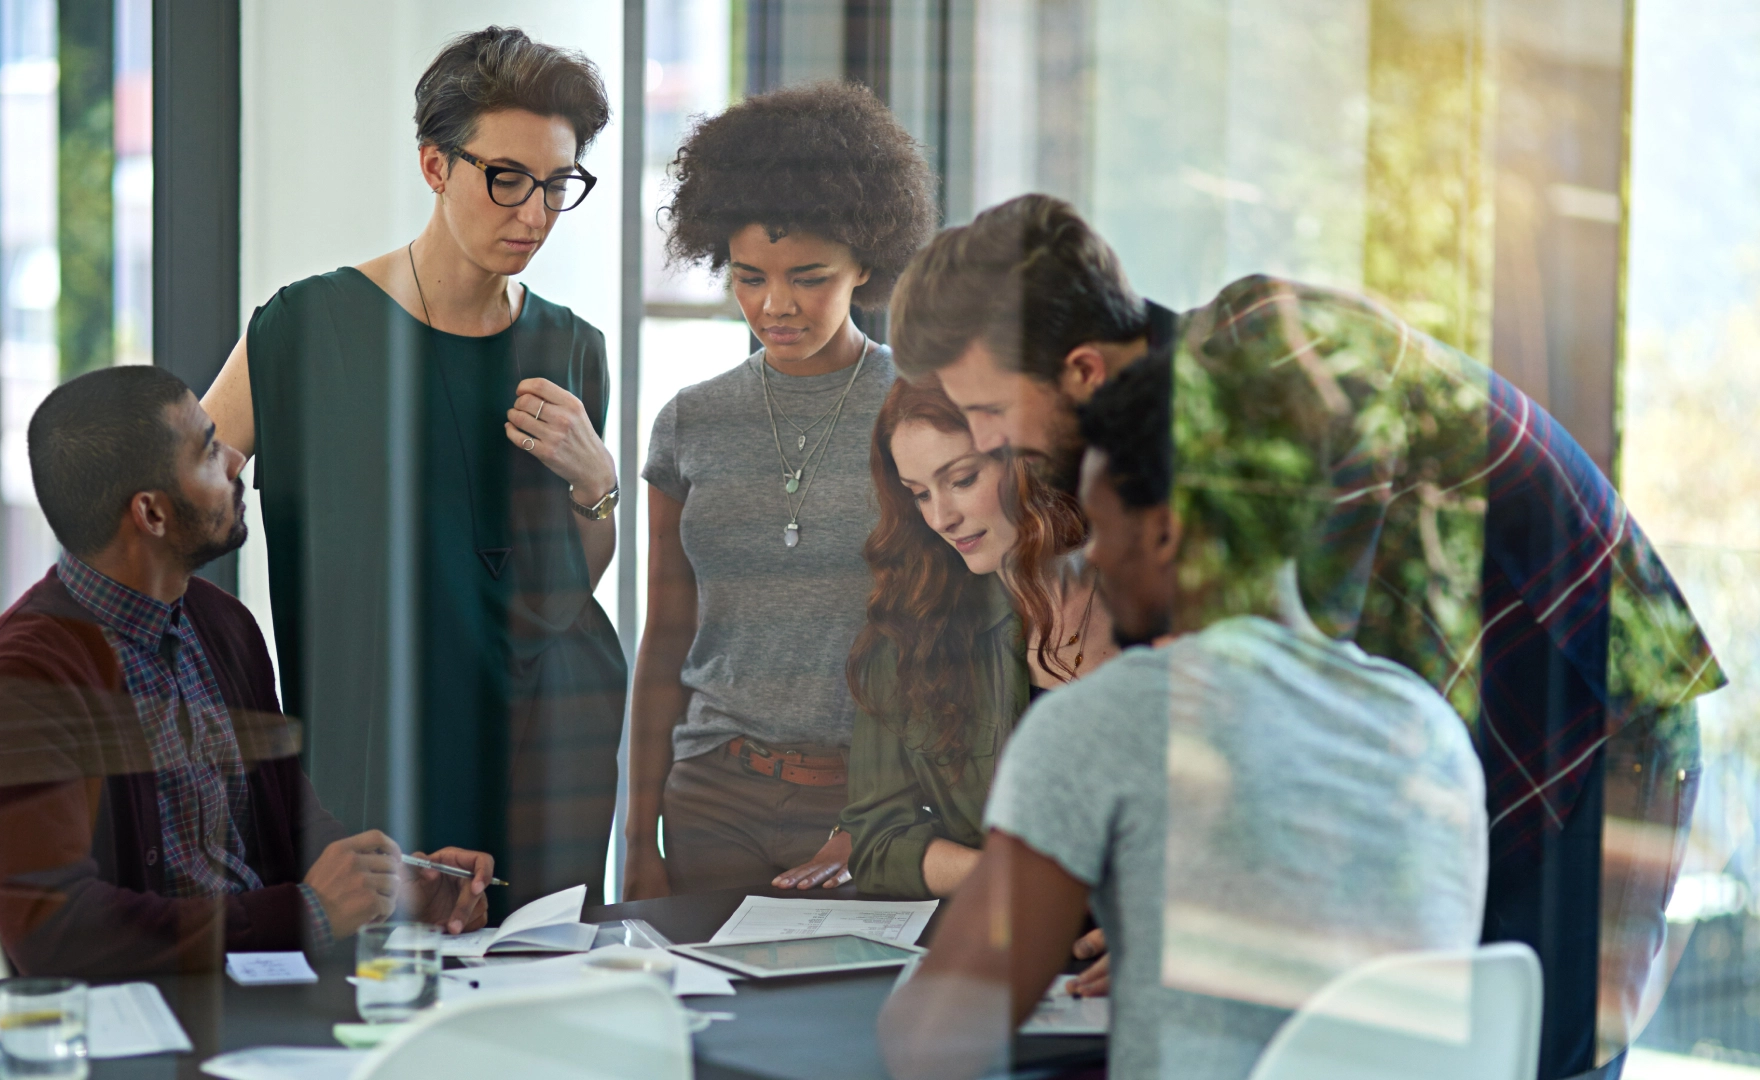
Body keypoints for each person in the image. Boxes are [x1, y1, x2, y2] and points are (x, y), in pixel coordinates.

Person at [886, 193, 1723, 1077]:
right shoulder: (1173, 447)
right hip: (1467, 729)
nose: (990, 442)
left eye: (985, 410)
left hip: (1588, 713)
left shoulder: (1272, 345)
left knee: (1542, 1053)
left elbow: (1298, 673)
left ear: (1085, 370)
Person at [878, 354, 1490, 1080]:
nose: (1094, 557)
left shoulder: (1104, 721)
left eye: (1102, 528)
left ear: (1164, 533)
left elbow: (935, 1042)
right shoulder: (1428, 727)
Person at [199, 29, 624, 912]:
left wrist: (597, 481)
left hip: (542, 750)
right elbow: (174, 509)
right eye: (506, 178)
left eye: (557, 185)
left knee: (537, 1009)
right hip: (371, 738)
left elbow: (568, 584)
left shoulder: (574, 347)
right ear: (435, 165)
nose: (534, 214)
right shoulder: (307, 328)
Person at [0, 367, 494, 977]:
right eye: (209, 450)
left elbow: (293, 824)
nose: (237, 458)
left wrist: (393, 891)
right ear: (151, 514)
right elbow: (60, 932)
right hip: (155, 1040)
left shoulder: (224, 626)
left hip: (276, 998)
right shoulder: (23, 678)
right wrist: (309, 914)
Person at [624, 82, 939, 898]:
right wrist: (637, 832)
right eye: (748, 276)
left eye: (808, 277)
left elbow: (938, 637)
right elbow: (666, 634)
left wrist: (875, 815)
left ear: (865, 260)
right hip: (709, 798)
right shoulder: (690, 421)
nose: (775, 305)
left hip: (860, 802)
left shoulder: (918, 411)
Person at [810, 378, 1113, 898]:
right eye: (920, 494)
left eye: (963, 479)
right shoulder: (909, 636)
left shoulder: (1158, 599)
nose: (941, 518)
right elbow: (876, 840)